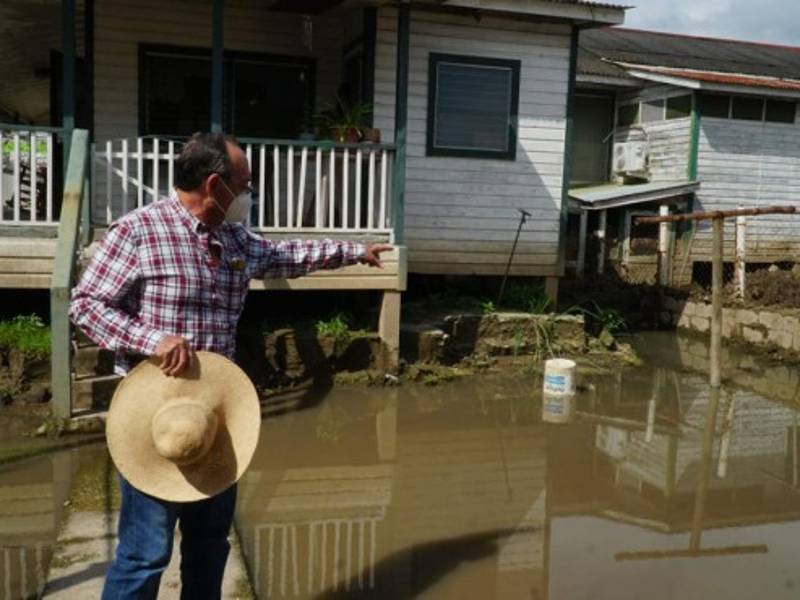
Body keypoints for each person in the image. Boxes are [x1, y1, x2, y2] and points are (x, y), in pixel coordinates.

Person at [69, 132, 391, 599]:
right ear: (216, 184)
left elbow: (288, 256)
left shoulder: (234, 238)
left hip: (217, 417)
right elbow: (86, 305)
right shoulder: (139, 230)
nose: (249, 195)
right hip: (157, 420)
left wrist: (353, 251)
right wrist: (151, 340)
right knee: (145, 554)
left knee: (210, 543)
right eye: (246, 184)